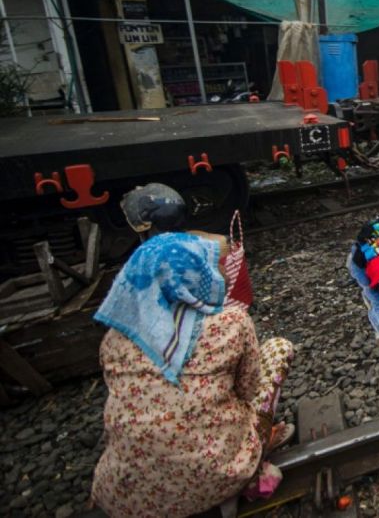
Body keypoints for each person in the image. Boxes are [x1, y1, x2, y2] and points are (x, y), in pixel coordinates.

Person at [91, 184, 296, 518]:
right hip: (222, 475)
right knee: (278, 349)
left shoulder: (117, 337)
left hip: (126, 497)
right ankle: (254, 448)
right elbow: (248, 390)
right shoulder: (230, 322)